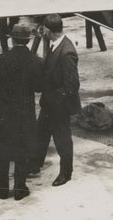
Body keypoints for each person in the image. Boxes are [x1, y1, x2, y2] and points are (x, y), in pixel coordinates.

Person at [0, 21, 43, 200]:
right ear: (28, 41)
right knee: (22, 149)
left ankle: (1, 189)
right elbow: (39, 87)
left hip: (2, 110)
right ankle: (20, 188)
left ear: (12, 40)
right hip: (24, 111)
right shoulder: (35, 60)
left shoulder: (2, 59)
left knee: (2, 150)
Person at [33, 14, 81, 187]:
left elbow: (72, 85)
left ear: (47, 29)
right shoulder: (56, 45)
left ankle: (66, 173)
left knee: (62, 139)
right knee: (41, 133)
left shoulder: (66, 52)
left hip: (60, 105)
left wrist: (56, 100)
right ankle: (34, 164)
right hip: (50, 101)